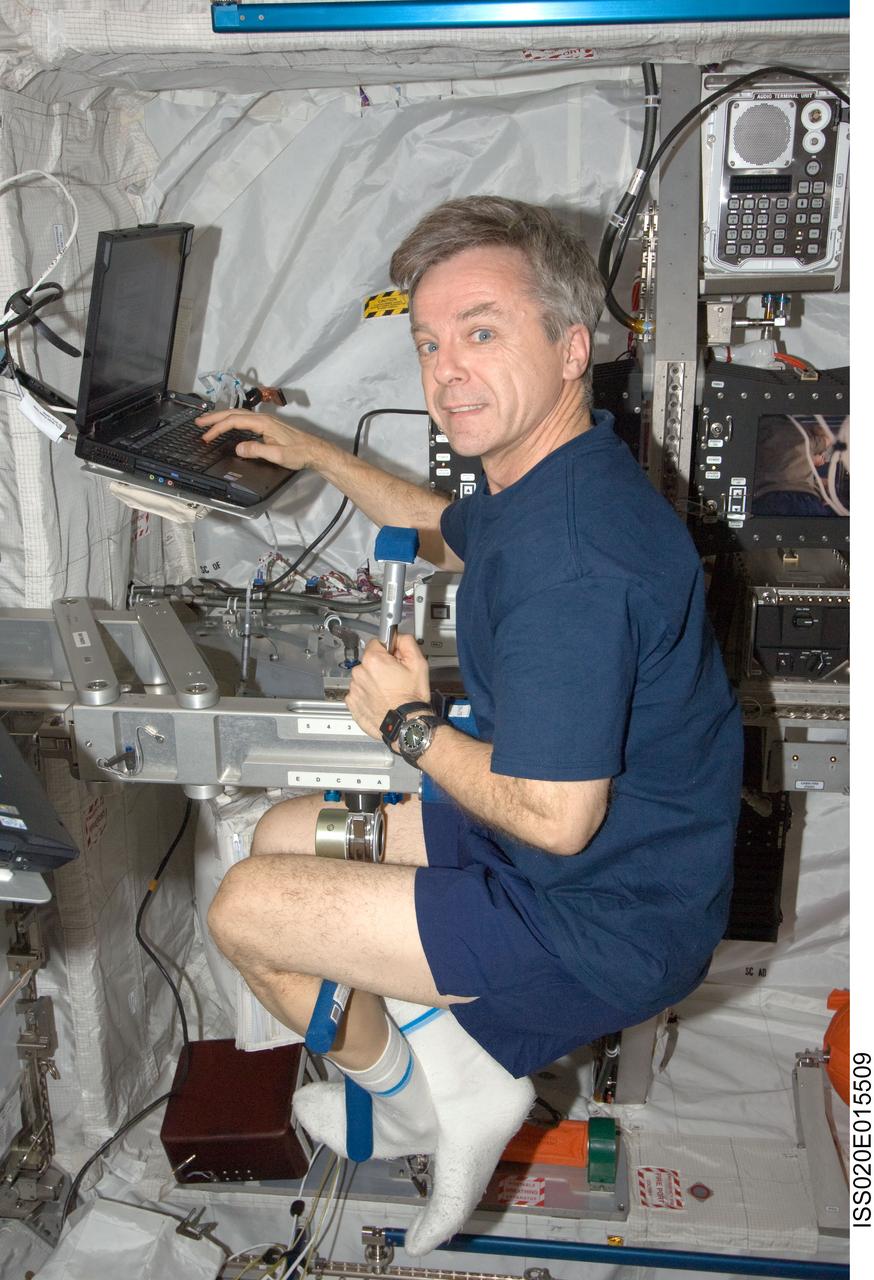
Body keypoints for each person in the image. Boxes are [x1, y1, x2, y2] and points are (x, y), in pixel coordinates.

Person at [200, 196, 743, 1253]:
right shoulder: (549, 476)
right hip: (591, 857)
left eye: (481, 331)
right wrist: (308, 447)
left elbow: (553, 815)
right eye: (428, 341)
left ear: (572, 345)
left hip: (600, 914)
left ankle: (417, 1097)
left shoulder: (572, 561)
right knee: (272, 830)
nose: (444, 368)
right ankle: (445, 1077)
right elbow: (436, 523)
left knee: (247, 907)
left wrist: (403, 724)